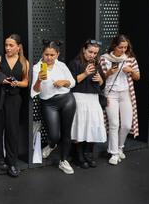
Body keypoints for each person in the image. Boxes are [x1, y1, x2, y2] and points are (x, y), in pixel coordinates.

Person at [0, 34, 30, 177]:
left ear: (18, 47)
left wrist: (17, 83)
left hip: (14, 100)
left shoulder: (24, 62)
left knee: (12, 131)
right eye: (6, 45)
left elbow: (26, 82)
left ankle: (12, 162)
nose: (8, 48)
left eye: (11, 45)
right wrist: (2, 79)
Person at [31, 40, 76, 174]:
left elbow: (72, 82)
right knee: (54, 135)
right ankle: (51, 145)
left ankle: (63, 161)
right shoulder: (36, 68)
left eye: (52, 55)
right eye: (46, 54)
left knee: (67, 132)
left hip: (67, 99)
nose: (49, 58)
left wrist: (65, 82)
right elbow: (34, 91)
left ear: (57, 54)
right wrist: (39, 79)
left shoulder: (61, 65)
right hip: (49, 103)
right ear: (42, 54)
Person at [100, 34, 140, 165]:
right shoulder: (104, 59)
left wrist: (131, 71)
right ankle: (113, 153)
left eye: (125, 47)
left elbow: (137, 77)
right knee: (114, 124)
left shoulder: (130, 59)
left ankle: (120, 147)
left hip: (125, 93)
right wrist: (109, 72)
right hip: (111, 94)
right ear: (114, 46)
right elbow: (101, 79)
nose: (123, 50)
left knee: (127, 124)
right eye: (120, 47)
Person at [68, 40, 107, 169]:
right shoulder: (75, 63)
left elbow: (102, 84)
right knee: (81, 125)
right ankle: (78, 155)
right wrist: (85, 74)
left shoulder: (96, 64)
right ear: (84, 49)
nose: (92, 55)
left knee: (93, 125)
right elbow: (70, 82)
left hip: (94, 98)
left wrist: (101, 80)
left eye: (95, 53)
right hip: (79, 97)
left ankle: (88, 153)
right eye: (90, 52)